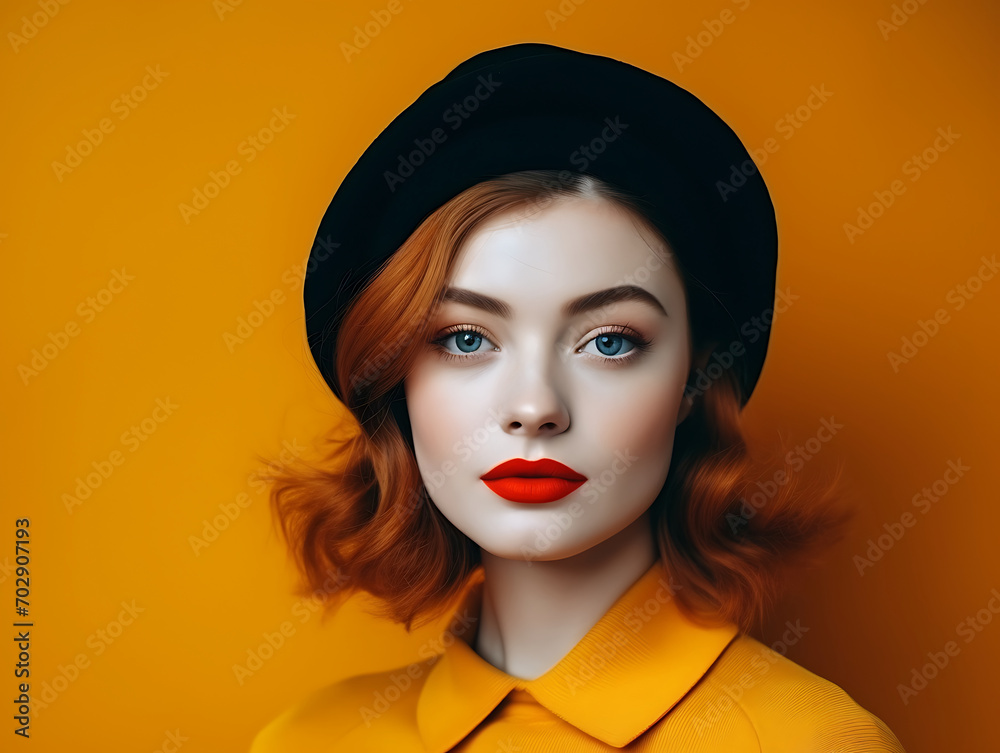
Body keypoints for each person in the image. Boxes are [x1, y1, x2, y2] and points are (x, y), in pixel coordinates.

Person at [250, 44, 907, 752]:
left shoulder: (811, 741)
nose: (535, 407)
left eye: (610, 340)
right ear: (396, 378)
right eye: (467, 338)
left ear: (694, 376)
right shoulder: (306, 739)